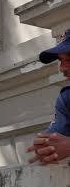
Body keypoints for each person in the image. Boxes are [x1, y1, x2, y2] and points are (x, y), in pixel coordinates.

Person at [28, 30, 70, 164]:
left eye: (69, 59)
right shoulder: (67, 98)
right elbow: (54, 141)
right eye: (61, 60)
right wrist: (45, 148)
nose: (62, 68)